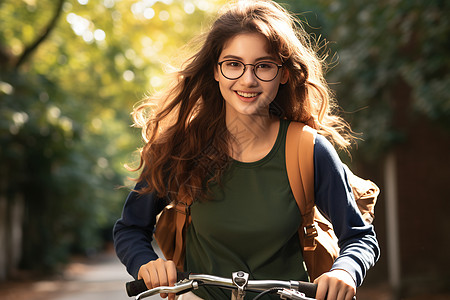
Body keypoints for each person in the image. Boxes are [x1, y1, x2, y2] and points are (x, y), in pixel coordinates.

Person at [113, 1, 380, 300]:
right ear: (216, 71)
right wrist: (145, 264)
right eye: (233, 64)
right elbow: (130, 229)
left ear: (284, 74)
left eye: (264, 65)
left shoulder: (310, 150)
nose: (248, 79)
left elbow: (359, 236)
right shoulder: (182, 147)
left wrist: (344, 270)